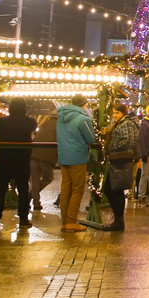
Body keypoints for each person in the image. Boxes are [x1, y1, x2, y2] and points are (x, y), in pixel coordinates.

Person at [0, 97, 38, 229]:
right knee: (23, 189)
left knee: (1, 189)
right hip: (22, 159)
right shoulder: (30, 122)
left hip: (5, 159)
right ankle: (23, 218)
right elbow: (34, 127)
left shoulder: (2, 122)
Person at [56, 94, 97, 233]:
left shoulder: (61, 117)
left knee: (66, 189)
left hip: (63, 156)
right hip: (77, 158)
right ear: (84, 104)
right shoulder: (83, 119)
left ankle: (64, 222)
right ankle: (71, 222)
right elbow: (91, 138)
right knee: (77, 189)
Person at [100, 103, 140, 232]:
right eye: (113, 113)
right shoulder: (123, 123)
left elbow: (127, 140)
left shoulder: (126, 123)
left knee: (114, 189)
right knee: (111, 189)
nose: (114, 115)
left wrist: (110, 147)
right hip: (118, 159)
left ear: (123, 113)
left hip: (121, 160)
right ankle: (118, 219)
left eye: (117, 112)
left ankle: (118, 221)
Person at [30, 113, 58, 211]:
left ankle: (36, 202)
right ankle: (30, 195)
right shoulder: (60, 125)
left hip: (34, 153)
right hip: (47, 156)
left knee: (34, 180)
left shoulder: (44, 123)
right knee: (48, 178)